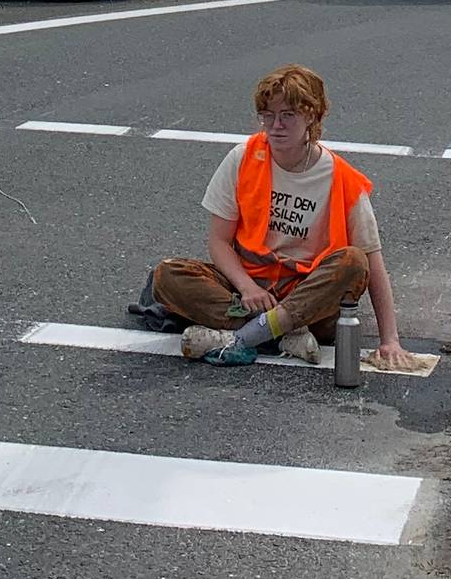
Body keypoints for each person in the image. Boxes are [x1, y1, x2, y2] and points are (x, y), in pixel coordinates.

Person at [141, 66, 414, 369]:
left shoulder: (342, 179)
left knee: (352, 262)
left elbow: (372, 264)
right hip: (248, 289)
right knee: (167, 275)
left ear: (311, 115)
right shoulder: (242, 157)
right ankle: (279, 334)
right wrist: (247, 287)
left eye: (288, 115)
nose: (276, 126)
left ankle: (242, 335)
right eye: (268, 116)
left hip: (306, 299)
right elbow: (219, 241)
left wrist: (390, 339)